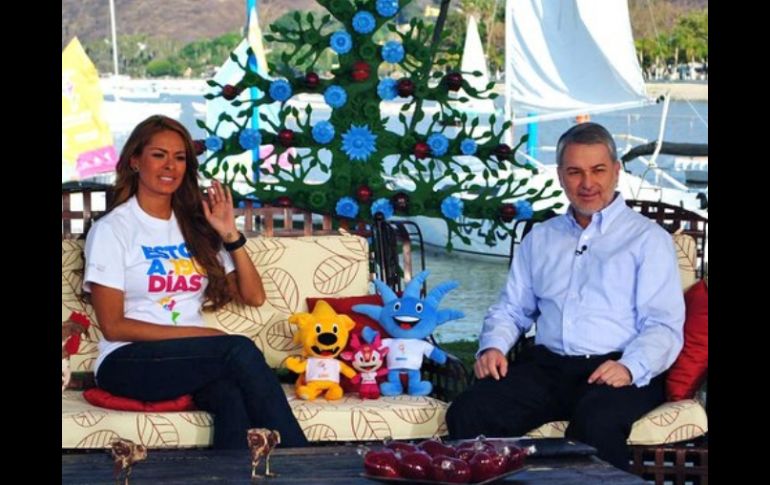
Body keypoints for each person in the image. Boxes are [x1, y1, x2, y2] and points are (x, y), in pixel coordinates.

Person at [446, 122, 685, 470]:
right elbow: (512, 308)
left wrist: (629, 367)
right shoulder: (540, 238)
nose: (587, 183)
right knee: (470, 411)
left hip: (618, 368)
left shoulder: (648, 239)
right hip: (548, 368)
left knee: (596, 422)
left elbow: (663, 325)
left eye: (597, 170)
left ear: (616, 171)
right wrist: (493, 346)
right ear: (560, 175)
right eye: (575, 172)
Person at [83, 115, 308, 449]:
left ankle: (227, 472)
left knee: (230, 396)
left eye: (179, 157)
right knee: (237, 350)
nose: (170, 166)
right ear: (135, 161)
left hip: (191, 359)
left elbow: (253, 296)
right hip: (126, 361)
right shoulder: (113, 229)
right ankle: (303, 460)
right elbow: (114, 326)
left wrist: (229, 234)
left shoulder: (194, 227)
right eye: (158, 155)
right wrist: (203, 335)